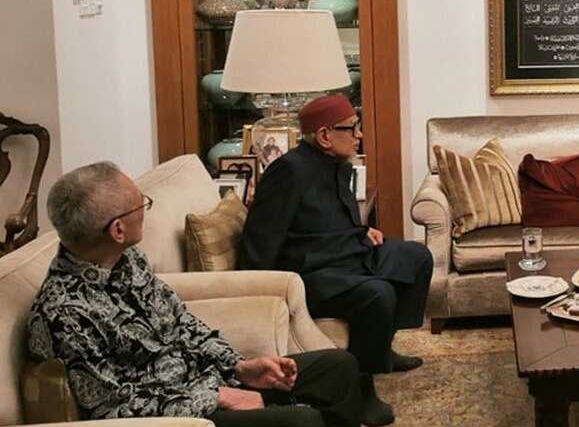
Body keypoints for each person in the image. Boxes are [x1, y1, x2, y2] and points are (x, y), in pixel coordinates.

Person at [27, 162, 364, 427]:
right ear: (117, 230)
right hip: (181, 417)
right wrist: (217, 397)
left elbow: (182, 323)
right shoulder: (65, 313)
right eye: (140, 204)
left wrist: (239, 366)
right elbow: (110, 406)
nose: (145, 208)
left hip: (210, 382)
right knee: (303, 421)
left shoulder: (128, 260)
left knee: (338, 367)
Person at [238, 94, 433, 426]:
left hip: (348, 253)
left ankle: (382, 346)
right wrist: (266, 291)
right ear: (325, 136)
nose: (359, 135)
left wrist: (362, 231)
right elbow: (261, 240)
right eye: (352, 128)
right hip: (311, 274)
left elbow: (325, 219)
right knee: (378, 294)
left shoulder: (336, 164)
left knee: (416, 257)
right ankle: (362, 388)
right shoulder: (288, 171)